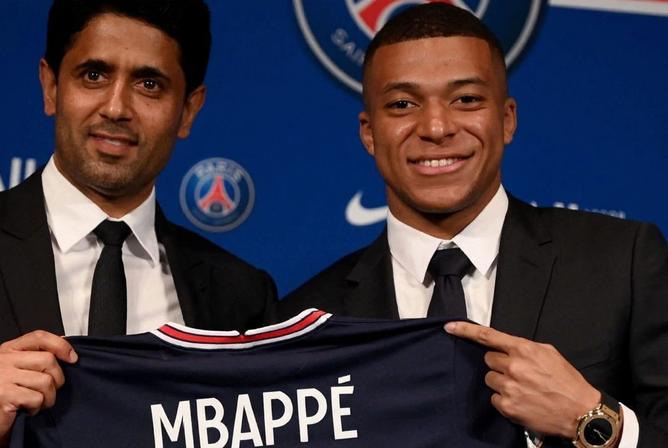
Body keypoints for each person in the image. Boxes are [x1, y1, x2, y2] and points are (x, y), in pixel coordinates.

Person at [0, 1, 276, 447]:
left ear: (188, 110)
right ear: (50, 86)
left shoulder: (240, 297)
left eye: (148, 84)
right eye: (94, 75)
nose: (116, 107)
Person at [278, 4, 668, 447]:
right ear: (369, 132)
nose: (437, 127)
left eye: (466, 99)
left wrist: (591, 418)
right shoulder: (308, 322)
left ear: (506, 120)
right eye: (403, 104)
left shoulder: (624, 261)